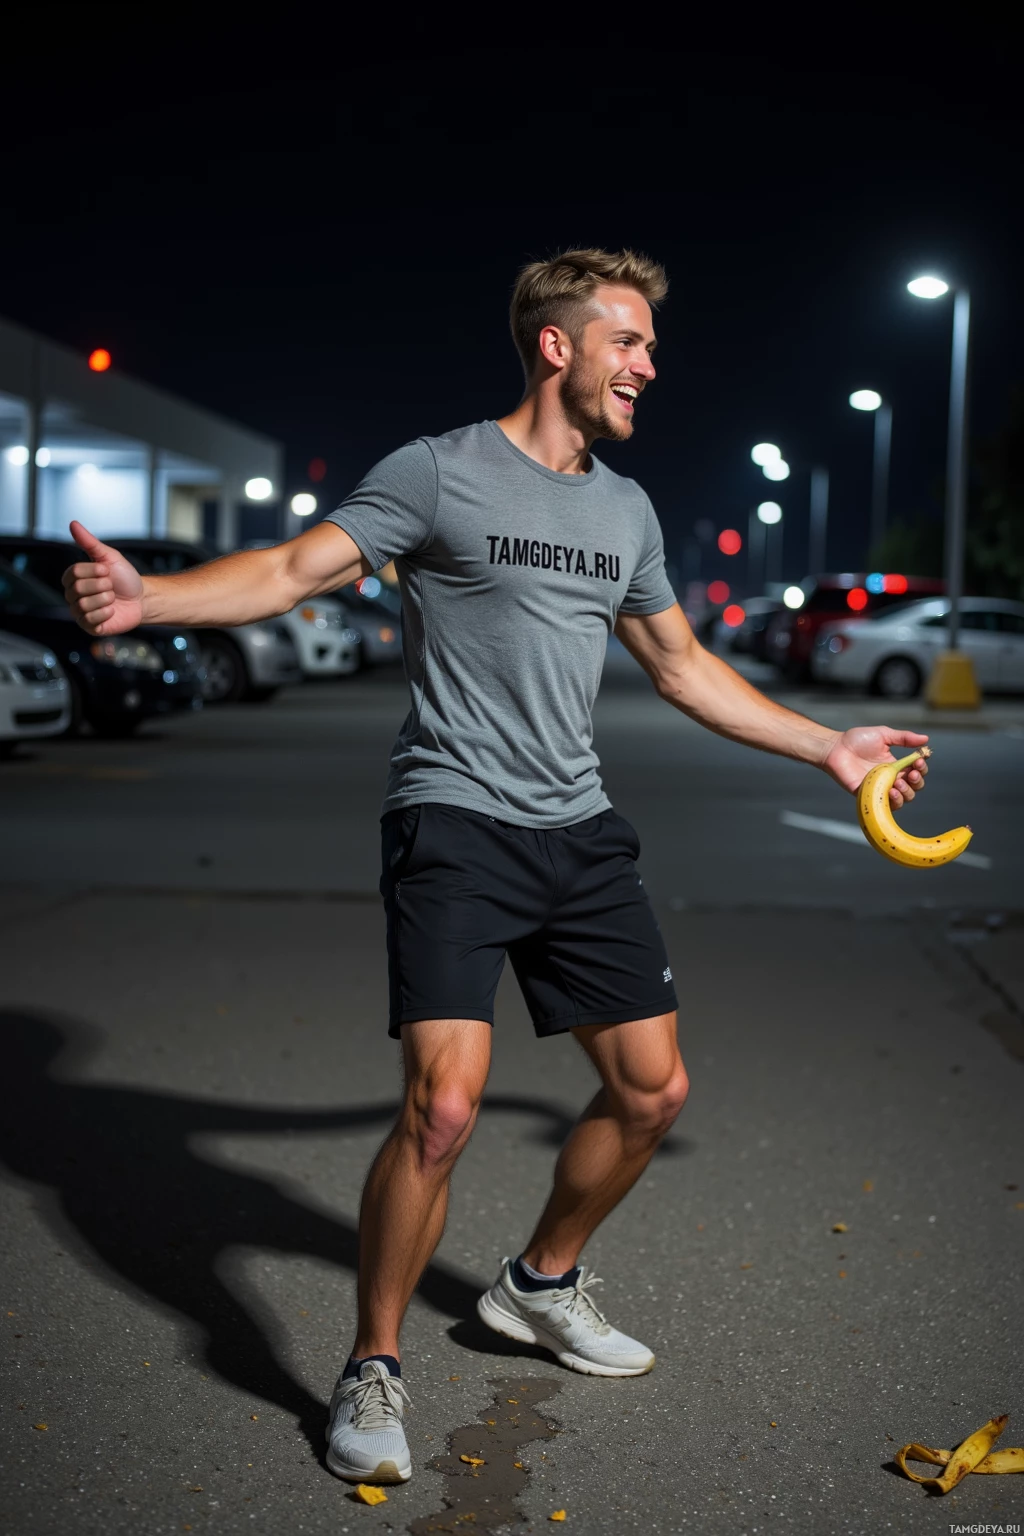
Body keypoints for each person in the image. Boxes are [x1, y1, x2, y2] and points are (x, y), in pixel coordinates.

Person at [63, 248, 929, 1488]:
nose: (647, 364)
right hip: (453, 820)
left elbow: (683, 669)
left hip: (577, 830)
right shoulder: (437, 471)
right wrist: (153, 601)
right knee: (446, 1106)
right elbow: (294, 568)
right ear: (556, 346)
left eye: (648, 345)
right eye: (626, 341)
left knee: (652, 1092)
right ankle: (375, 1363)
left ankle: (539, 1283)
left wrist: (826, 749)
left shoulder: (624, 510)